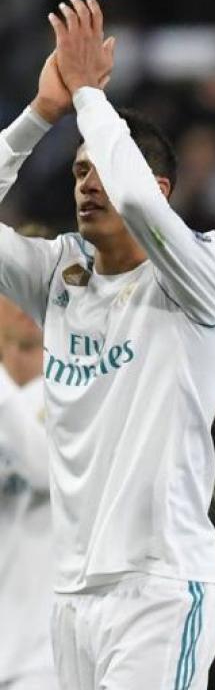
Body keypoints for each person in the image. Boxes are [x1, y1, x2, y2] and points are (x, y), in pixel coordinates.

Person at [0, 0, 215, 688]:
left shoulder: (203, 273)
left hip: (162, 587)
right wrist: (39, 115)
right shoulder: (58, 274)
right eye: (78, 171)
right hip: (72, 593)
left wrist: (88, 98)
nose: (86, 183)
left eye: (100, 168)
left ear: (159, 186)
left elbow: (137, 203)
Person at [0, 227, 57, 690]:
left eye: (33, 283)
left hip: (43, 655)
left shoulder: (75, 393)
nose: (21, 298)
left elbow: (43, 469)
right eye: (10, 280)